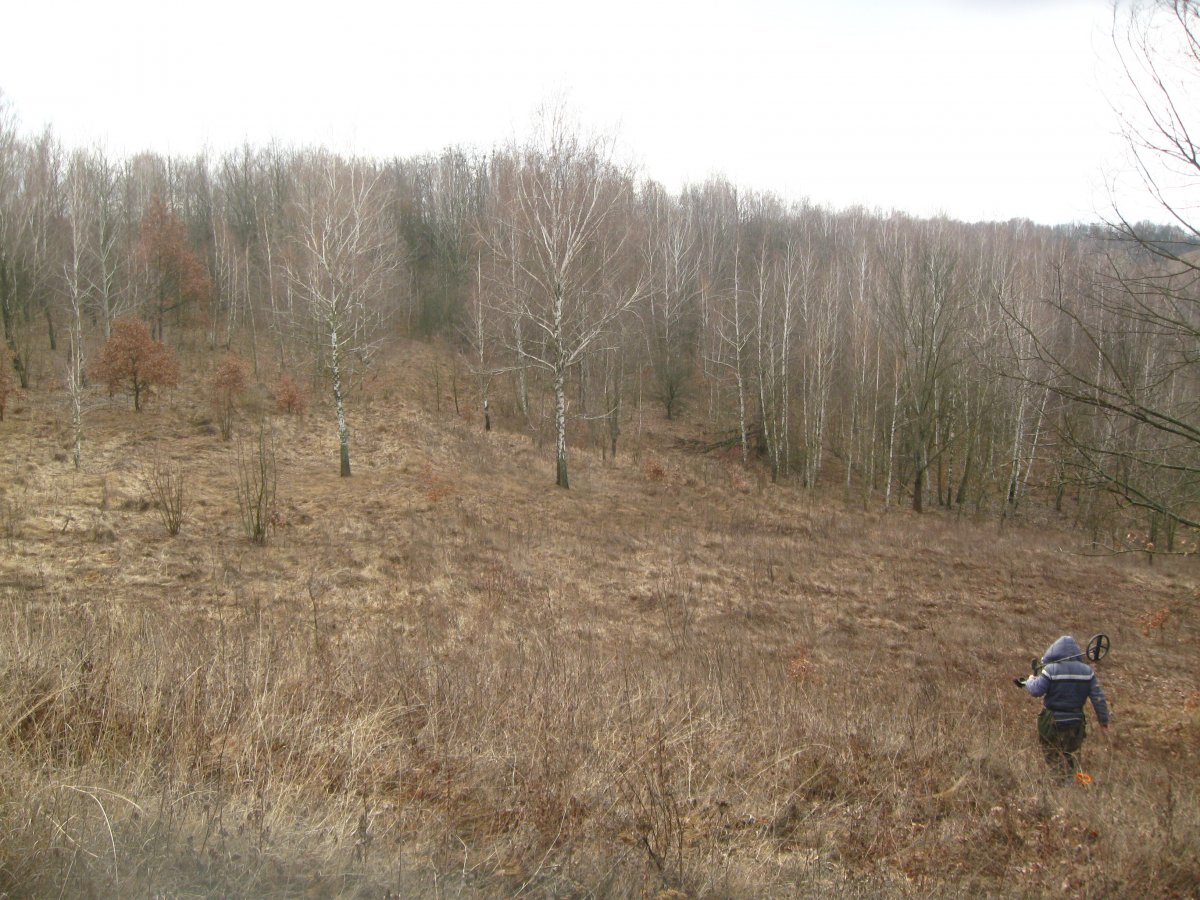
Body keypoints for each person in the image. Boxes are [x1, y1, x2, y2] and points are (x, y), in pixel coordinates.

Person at [1018, 635, 1110, 780]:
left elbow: (1036, 691)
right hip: (1076, 721)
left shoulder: (1050, 670)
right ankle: (1069, 779)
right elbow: (1098, 699)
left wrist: (1030, 680)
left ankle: (1061, 782)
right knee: (1069, 752)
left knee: (1052, 753)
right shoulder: (1087, 672)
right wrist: (1103, 722)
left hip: (1051, 721)